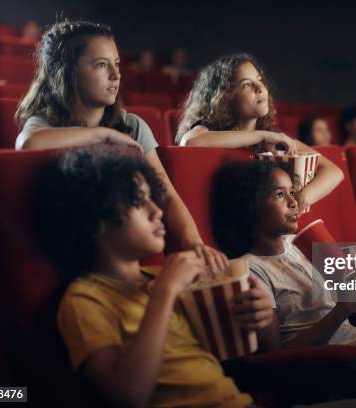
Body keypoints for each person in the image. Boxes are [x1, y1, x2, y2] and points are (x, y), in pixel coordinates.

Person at [34, 144, 273, 407]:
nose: (157, 211)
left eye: (152, 198)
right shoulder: (84, 300)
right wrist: (165, 291)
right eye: (138, 201)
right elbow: (129, 396)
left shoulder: (166, 277)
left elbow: (231, 357)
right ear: (96, 220)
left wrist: (259, 314)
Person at [211, 160, 356, 390]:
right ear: (250, 207)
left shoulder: (298, 247)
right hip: (341, 363)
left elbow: (344, 302)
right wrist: (342, 309)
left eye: (292, 192)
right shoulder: (250, 269)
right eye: (280, 195)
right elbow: (275, 355)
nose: (294, 202)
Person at [15, 20, 225, 270]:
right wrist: (103, 135)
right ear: (67, 71)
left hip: (129, 254)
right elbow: (29, 143)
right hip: (76, 256)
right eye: (101, 65)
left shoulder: (133, 126)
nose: (116, 75)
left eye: (116, 64)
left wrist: (194, 243)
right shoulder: (46, 122)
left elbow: (166, 195)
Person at [177, 53, 344, 214]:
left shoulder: (275, 139)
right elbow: (190, 141)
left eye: (259, 80)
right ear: (224, 97)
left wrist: (302, 198)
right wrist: (260, 135)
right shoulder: (212, 130)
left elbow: (333, 172)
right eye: (246, 84)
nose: (259, 88)